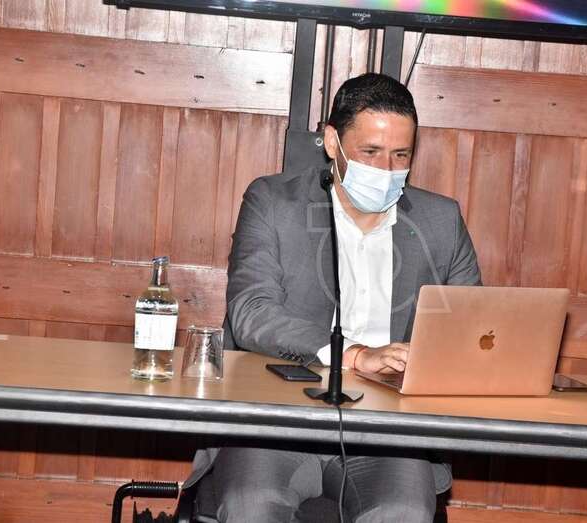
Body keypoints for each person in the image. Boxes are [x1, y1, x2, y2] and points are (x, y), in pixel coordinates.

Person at [185, 73, 481, 522]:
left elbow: (470, 328)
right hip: (276, 421)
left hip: (389, 430)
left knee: (403, 510)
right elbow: (252, 314)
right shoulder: (273, 202)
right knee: (252, 504)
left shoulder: (440, 221)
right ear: (331, 142)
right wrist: (356, 355)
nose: (386, 169)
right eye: (370, 152)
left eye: (401, 155)